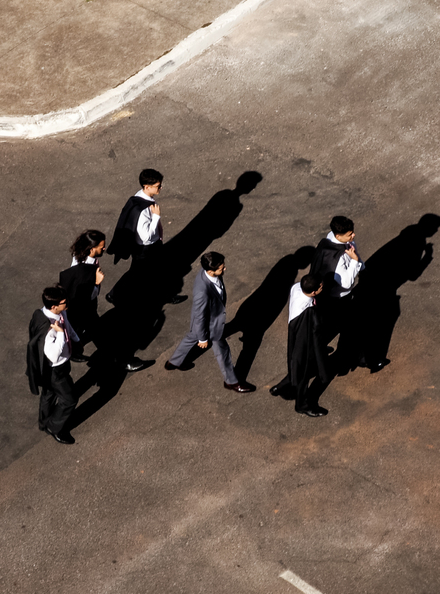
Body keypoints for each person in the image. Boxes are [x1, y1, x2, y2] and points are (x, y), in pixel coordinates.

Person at [164, 252, 252, 392]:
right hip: (211, 326)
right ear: (210, 271)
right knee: (223, 352)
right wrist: (203, 338)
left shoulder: (206, 272)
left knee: (191, 337)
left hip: (204, 322)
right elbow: (200, 317)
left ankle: (173, 362)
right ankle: (231, 382)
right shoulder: (202, 292)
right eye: (221, 269)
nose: (225, 270)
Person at [105, 168, 186, 305]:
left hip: (142, 247)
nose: (160, 188)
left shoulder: (137, 197)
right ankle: (165, 296)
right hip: (147, 248)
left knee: (147, 272)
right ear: (147, 186)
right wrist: (156, 217)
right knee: (146, 272)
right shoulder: (144, 210)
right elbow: (146, 236)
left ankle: (114, 294)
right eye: (158, 186)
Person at [270, 274, 330, 417]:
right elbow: (313, 334)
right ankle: (302, 405)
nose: (322, 286)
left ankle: (279, 387)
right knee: (303, 370)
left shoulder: (297, 288)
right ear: (314, 292)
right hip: (302, 340)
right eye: (320, 286)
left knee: (295, 364)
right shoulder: (307, 312)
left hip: (295, 334)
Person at [25, 286, 79, 444]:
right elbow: (54, 356)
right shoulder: (50, 330)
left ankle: (43, 422)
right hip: (56, 370)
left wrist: (75, 339)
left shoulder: (57, 312)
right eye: (64, 302)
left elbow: (67, 325)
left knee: (49, 395)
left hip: (60, 366)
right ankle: (54, 427)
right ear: (54, 306)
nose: (67, 303)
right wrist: (61, 333)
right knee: (69, 400)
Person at [310, 215, 365, 369]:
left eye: (352, 232)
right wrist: (355, 262)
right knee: (348, 327)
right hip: (338, 299)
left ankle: (318, 350)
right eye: (350, 234)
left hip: (328, 299)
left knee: (335, 328)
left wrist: (359, 262)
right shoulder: (339, 257)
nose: (353, 236)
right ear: (338, 236)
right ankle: (354, 358)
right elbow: (346, 284)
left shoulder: (330, 241)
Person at [59, 230, 106, 361]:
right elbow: (86, 295)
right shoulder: (85, 271)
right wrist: (95, 283)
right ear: (91, 249)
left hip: (81, 307)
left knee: (82, 328)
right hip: (84, 306)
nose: (104, 248)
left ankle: (74, 350)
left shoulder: (79, 256)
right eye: (101, 246)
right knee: (90, 330)